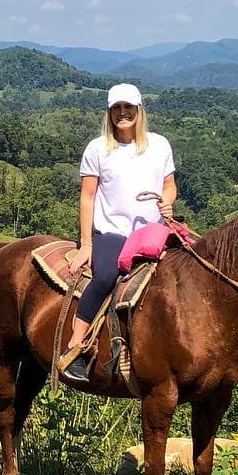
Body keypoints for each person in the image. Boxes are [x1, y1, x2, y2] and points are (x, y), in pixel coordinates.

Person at [59, 83, 177, 382]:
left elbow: (169, 185)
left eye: (128, 108)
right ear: (110, 113)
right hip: (113, 232)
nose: (123, 114)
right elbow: (87, 196)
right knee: (105, 277)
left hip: (153, 230)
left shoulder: (159, 145)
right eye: (117, 109)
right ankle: (76, 347)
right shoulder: (98, 149)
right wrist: (87, 245)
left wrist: (168, 202)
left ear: (139, 111)